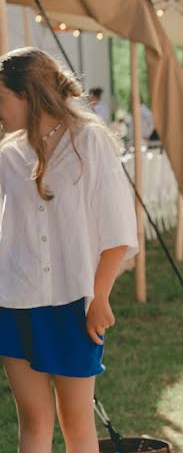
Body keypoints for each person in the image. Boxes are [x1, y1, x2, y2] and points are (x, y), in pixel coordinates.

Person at [0, 48, 139, 452]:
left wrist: (100, 296)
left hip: (75, 302)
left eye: (1, 97)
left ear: (27, 94)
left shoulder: (88, 141)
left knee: (76, 421)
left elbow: (117, 230)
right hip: (14, 302)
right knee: (34, 419)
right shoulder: (7, 156)